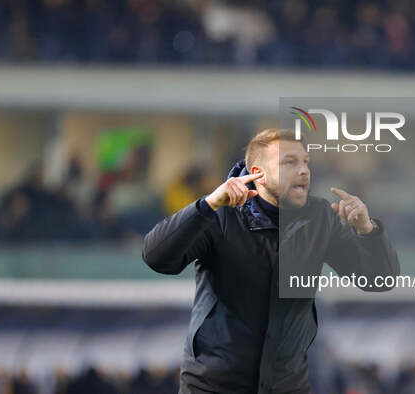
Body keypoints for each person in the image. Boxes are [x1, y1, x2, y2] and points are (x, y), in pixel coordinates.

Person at [142, 128, 400, 394]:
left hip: (287, 386)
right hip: (213, 386)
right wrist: (207, 205)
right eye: (290, 162)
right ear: (259, 174)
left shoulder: (321, 217)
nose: (304, 171)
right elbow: (157, 258)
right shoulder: (220, 214)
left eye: (305, 162)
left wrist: (367, 230)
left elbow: (379, 280)